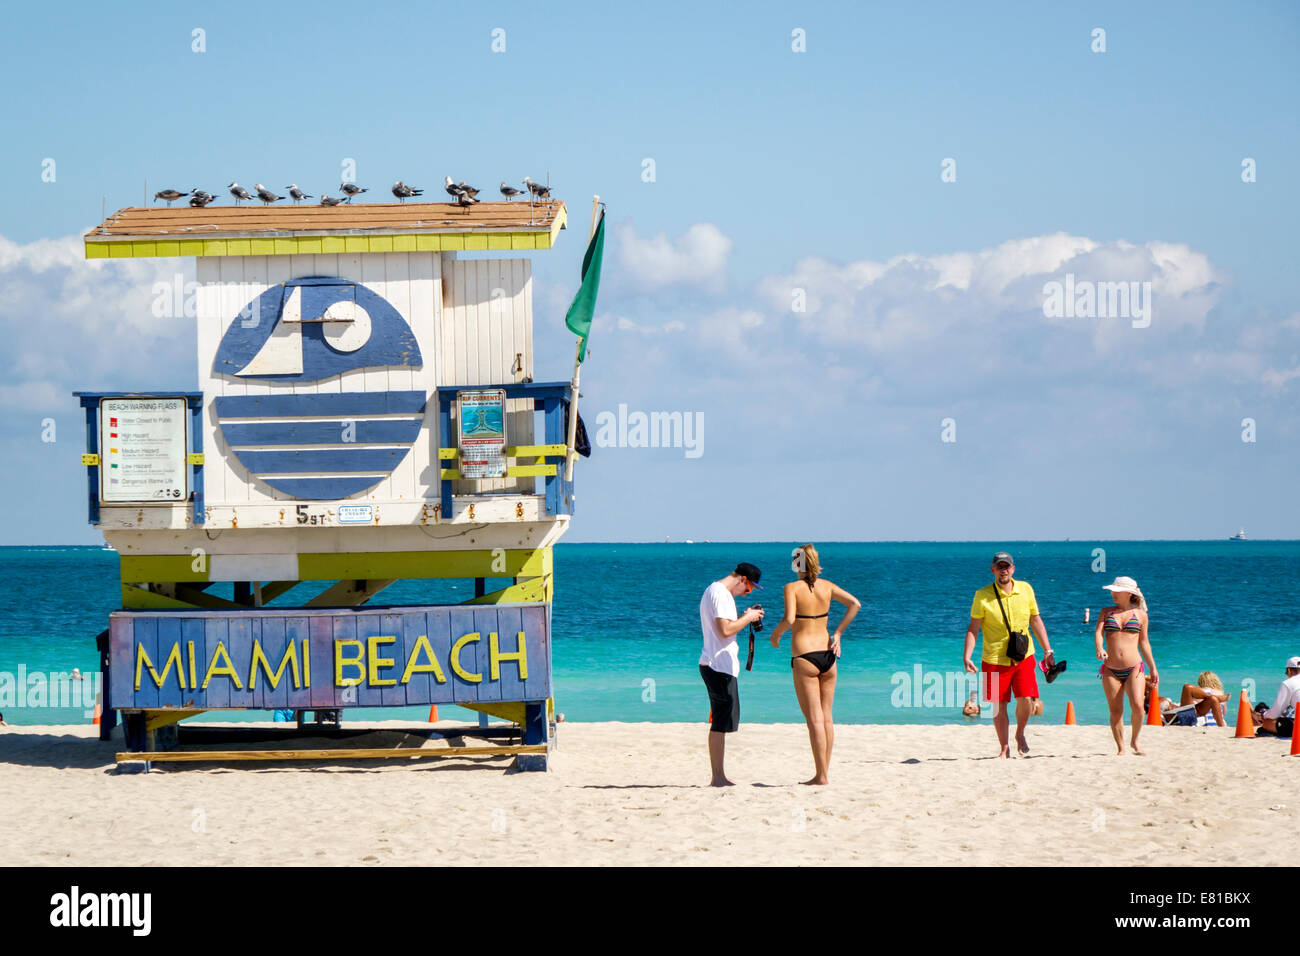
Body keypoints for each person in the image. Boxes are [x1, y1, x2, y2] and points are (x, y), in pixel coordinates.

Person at [768, 544, 861, 785]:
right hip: (828, 656)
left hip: (805, 657)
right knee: (827, 717)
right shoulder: (827, 586)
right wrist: (838, 633)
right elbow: (855, 604)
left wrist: (775, 636)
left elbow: (789, 619)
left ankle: (821, 776)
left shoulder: (792, 587)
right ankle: (823, 773)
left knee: (814, 720)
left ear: (796, 563)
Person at [963, 552, 1056, 758]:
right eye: (999, 566)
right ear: (993, 570)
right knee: (999, 705)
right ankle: (1004, 747)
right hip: (994, 659)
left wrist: (1047, 650)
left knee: (1026, 699)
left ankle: (1020, 733)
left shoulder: (1025, 589)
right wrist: (967, 655)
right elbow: (973, 628)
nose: (1003, 570)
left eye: (1007, 566)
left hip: (1024, 656)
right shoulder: (982, 595)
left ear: (1013, 569)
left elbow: (1036, 620)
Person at [699, 561, 765, 787]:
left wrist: (745, 616)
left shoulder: (715, 591)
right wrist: (748, 618)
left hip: (717, 665)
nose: (746, 594)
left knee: (721, 721)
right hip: (718, 665)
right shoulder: (721, 593)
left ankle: (719, 775)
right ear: (742, 580)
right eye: (748, 590)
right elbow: (724, 630)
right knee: (719, 723)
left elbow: (724, 628)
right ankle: (717, 777)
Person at [1094, 576, 1158, 755]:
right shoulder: (1106, 612)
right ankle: (1121, 747)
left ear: (1128, 594)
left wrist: (1153, 667)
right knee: (1115, 711)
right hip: (1110, 669)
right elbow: (1099, 634)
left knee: (1138, 706)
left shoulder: (1141, 615)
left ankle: (1135, 741)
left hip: (1134, 668)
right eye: (1112, 590)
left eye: (1116, 591)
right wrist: (1100, 648)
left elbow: (1144, 643)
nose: (1113, 594)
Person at [1251, 656, 1300, 736]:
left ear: (1289, 670)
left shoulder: (1288, 683)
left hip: (1297, 728)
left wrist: (1263, 715)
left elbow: (1275, 713)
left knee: (1267, 722)